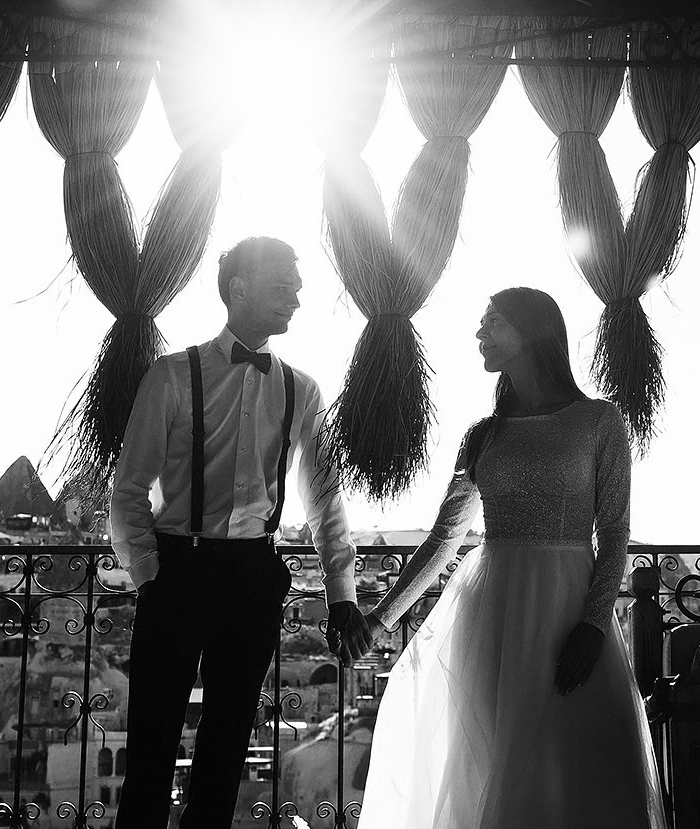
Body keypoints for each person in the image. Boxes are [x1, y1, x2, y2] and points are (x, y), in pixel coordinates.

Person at [357, 287, 665, 828]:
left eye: (493, 322)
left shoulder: (599, 422)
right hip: (491, 621)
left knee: (572, 767)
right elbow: (442, 541)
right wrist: (381, 618)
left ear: (534, 332)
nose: (480, 334)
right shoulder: (483, 436)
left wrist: (592, 627)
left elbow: (615, 533)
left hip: (570, 615)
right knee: (492, 765)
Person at [110, 236, 371, 829]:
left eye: (298, 290)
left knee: (227, 743)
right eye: (284, 287)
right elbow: (127, 493)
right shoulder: (173, 375)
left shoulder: (302, 390)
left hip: (253, 576)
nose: (297, 300)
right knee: (152, 736)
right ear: (239, 289)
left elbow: (325, 499)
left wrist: (343, 595)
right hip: (178, 567)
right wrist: (153, 579)